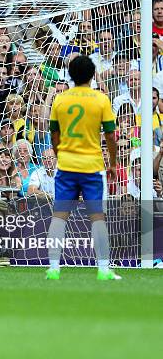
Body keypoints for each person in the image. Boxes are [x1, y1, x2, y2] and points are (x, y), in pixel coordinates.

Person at [46, 55, 120, 281]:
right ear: (92, 75)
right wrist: (114, 163)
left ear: (70, 75)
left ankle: (54, 268)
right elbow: (110, 135)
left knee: (59, 216)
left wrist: (61, 155)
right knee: (97, 217)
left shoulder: (60, 99)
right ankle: (104, 269)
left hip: (66, 165)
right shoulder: (101, 99)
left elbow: (54, 134)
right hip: (92, 166)